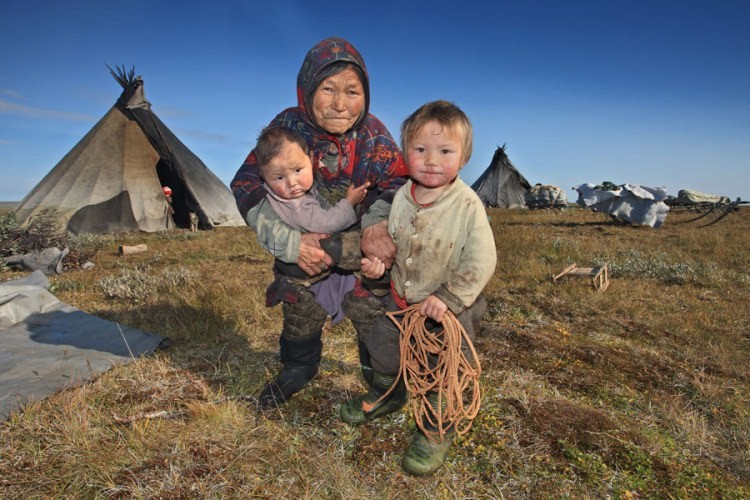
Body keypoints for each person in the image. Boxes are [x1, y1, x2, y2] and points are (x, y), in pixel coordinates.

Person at [231, 37, 408, 408]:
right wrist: (289, 242)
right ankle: (298, 367)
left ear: (366, 94)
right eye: (328, 89)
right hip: (301, 244)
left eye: (352, 91)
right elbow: (246, 184)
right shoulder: (288, 128)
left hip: (358, 246)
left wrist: (376, 225)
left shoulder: (374, 135)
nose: (340, 104)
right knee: (300, 303)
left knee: (371, 306)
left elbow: (400, 185)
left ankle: (382, 379)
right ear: (307, 88)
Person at [339, 100, 497, 476]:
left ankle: (436, 428)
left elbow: (481, 259)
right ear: (405, 152)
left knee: (443, 367)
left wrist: (448, 298)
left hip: (452, 304)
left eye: (445, 151)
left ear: (464, 156)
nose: (431, 160)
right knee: (383, 345)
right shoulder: (399, 200)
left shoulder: (467, 205)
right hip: (401, 300)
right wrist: (378, 267)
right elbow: (390, 244)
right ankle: (389, 394)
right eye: (420, 150)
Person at [254, 125, 369, 324]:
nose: (292, 183)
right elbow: (327, 223)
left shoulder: (270, 195)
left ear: (311, 159)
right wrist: (349, 203)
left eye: (298, 170)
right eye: (279, 177)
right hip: (309, 275)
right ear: (263, 175)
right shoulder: (299, 204)